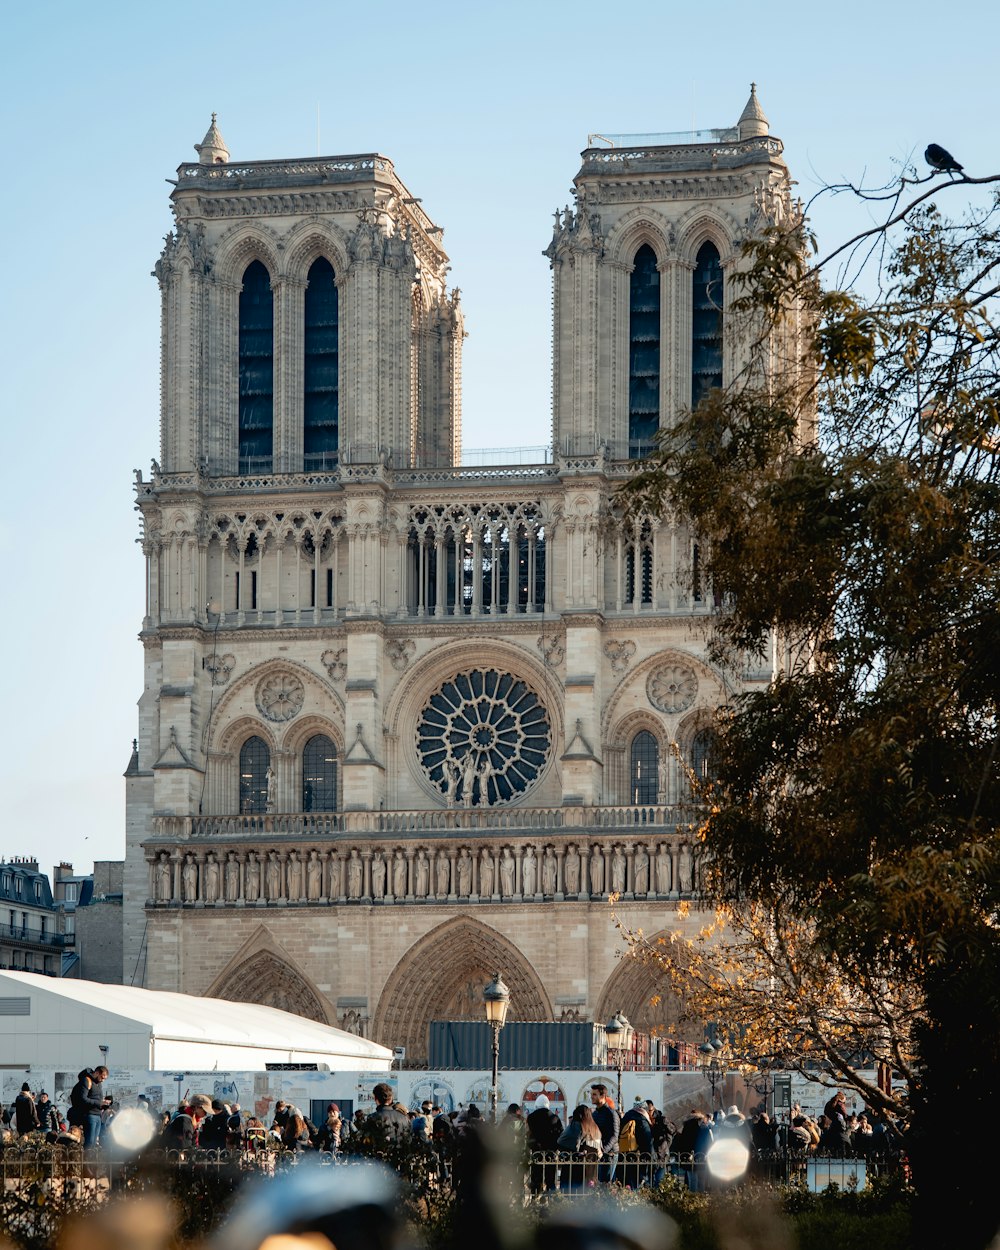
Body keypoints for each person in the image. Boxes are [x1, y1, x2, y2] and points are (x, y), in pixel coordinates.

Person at [557, 1104, 603, 1191]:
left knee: (569, 1191)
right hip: (591, 1165)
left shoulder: (576, 1125)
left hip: (573, 1163)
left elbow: (562, 1141)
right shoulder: (595, 1128)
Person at [526, 1093, 562, 1193]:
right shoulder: (555, 1118)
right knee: (550, 1178)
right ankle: (551, 1198)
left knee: (536, 1177)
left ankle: (535, 1198)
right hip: (551, 1152)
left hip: (536, 1151)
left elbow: (528, 1134)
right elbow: (560, 1135)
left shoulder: (531, 1118)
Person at [617, 1096, 654, 1188]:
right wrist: (651, 1158)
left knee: (626, 1185)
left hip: (625, 1156)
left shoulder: (626, 1117)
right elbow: (647, 1142)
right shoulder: (642, 1120)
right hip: (638, 1158)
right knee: (637, 1186)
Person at [590, 1084, 620, 1183]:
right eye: (591, 1094)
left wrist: (603, 1151)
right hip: (598, 1153)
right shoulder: (595, 1114)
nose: (592, 1096)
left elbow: (615, 1135)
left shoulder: (611, 1113)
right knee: (599, 1183)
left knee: (606, 1185)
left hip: (609, 1154)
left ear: (603, 1096)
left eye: (594, 1094)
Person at [82, 1065, 110, 1148]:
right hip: (90, 1114)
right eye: (102, 1077)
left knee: (94, 1142)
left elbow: (98, 1098)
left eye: (105, 1078)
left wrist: (104, 1103)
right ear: (97, 1073)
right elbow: (83, 1099)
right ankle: (86, 1159)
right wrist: (99, 1103)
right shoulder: (87, 1081)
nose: (103, 1080)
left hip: (98, 1115)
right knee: (90, 1141)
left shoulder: (99, 1084)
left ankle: (91, 1159)